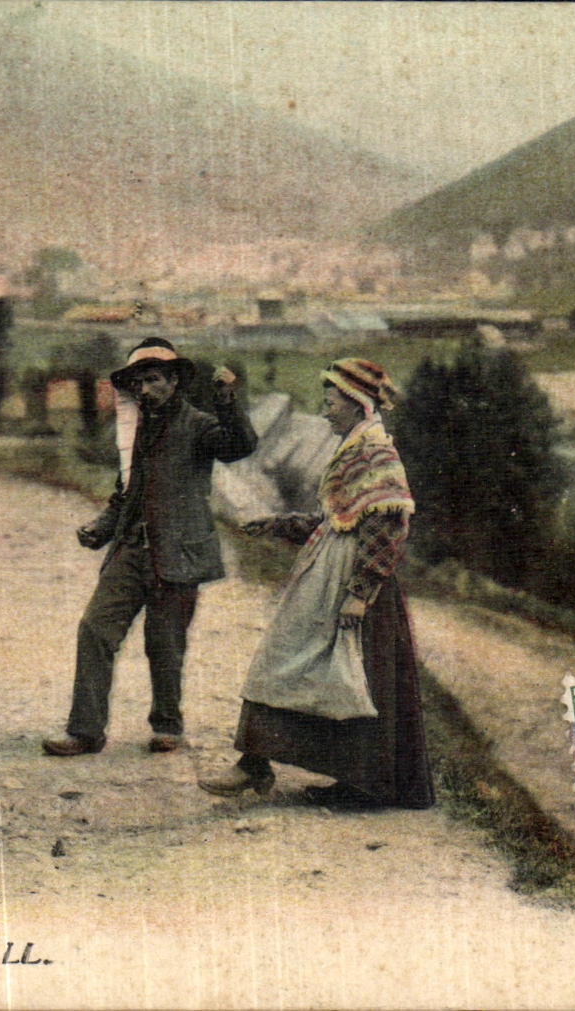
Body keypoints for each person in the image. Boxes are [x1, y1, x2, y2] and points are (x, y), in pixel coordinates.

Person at [198, 358, 434, 810]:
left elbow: (389, 527)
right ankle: (258, 762)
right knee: (293, 661)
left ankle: (362, 784)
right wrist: (277, 525)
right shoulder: (353, 449)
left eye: (331, 403)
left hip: (355, 585)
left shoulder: (375, 453)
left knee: (353, 681)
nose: (325, 411)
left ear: (357, 404)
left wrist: (360, 594)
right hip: (331, 573)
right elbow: (336, 520)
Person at [43, 338, 257, 757]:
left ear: (175, 380)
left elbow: (240, 447)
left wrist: (228, 401)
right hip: (131, 551)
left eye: (154, 379)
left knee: (165, 644)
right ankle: (85, 731)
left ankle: (168, 726)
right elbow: (126, 492)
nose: (144, 390)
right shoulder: (137, 429)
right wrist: (102, 528)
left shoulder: (199, 426)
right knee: (94, 629)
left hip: (178, 554)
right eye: (138, 382)